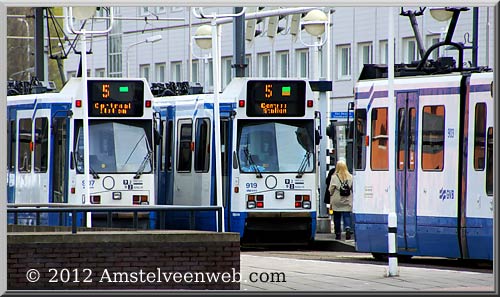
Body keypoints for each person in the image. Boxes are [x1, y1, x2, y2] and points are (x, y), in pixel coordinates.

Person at [328, 159, 353, 240]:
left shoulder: (334, 177)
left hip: (337, 199)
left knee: (337, 217)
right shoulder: (350, 177)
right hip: (347, 199)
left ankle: (338, 234)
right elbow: (353, 188)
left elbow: (331, 189)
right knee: (347, 215)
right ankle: (348, 228)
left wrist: (331, 194)